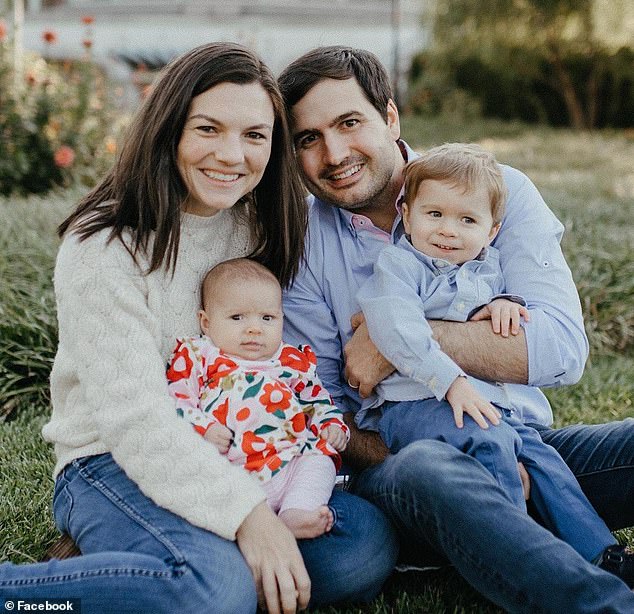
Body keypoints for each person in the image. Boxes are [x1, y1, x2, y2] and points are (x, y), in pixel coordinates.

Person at [0, 43, 398, 614]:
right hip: (112, 459)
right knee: (211, 592)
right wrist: (247, 517)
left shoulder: (259, 224)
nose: (231, 155)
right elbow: (134, 421)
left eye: (255, 136)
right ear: (170, 129)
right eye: (208, 128)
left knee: (358, 552)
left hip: (250, 457)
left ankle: (155, 570)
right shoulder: (104, 247)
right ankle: (37, 594)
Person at [278, 45, 634, 612]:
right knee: (431, 467)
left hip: (525, 445)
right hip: (401, 464)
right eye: (308, 139)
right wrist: (459, 456)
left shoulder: (499, 192)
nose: (334, 153)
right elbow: (320, 408)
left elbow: (562, 349)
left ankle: (510, 528)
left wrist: (399, 342)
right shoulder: (302, 244)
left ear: (390, 118)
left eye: (349, 123)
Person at [355, 142, 623, 567]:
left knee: (541, 459)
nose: (448, 230)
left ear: (490, 231)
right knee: (493, 441)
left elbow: (487, 314)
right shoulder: (398, 267)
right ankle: (523, 557)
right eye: (434, 215)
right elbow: (396, 329)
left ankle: (602, 552)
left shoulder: (484, 267)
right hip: (415, 404)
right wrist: (451, 381)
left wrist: (500, 304)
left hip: (488, 406)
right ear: (407, 216)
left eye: (467, 220)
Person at [166, 257, 349, 539]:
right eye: (237, 317)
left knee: (320, 460)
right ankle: (248, 529)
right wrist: (204, 427)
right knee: (207, 484)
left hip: (291, 460)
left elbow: (317, 400)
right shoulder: (201, 354)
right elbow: (176, 400)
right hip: (236, 470)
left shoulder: (291, 360)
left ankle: (296, 512)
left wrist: (332, 426)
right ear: (206, 322)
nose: (255, 329)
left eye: (267, 318)